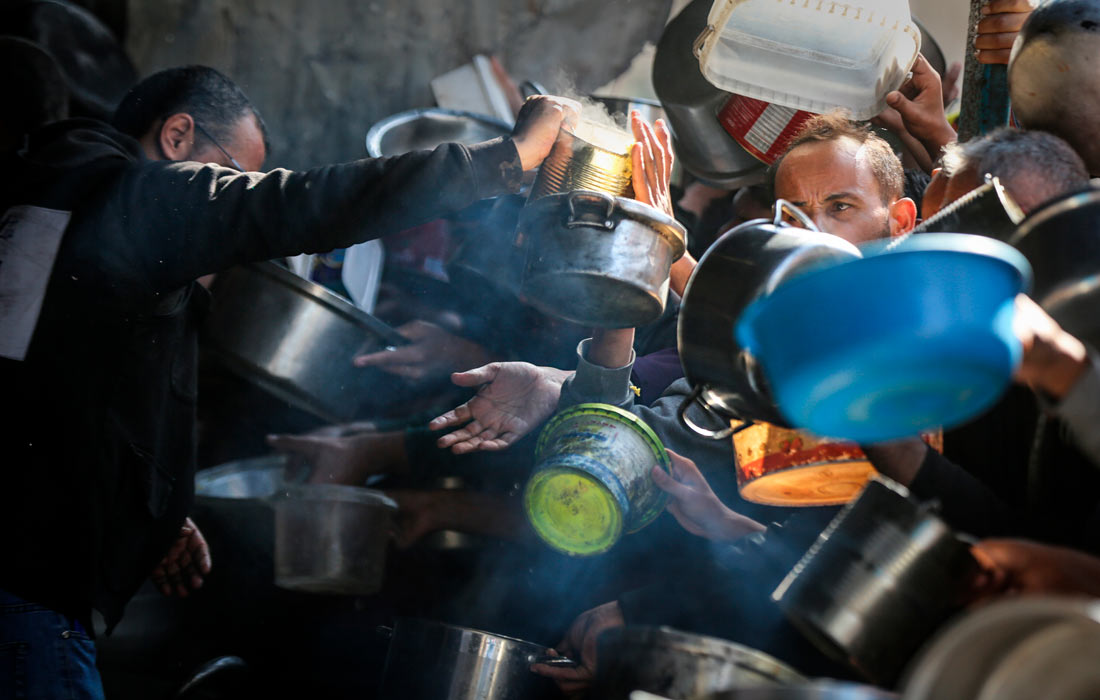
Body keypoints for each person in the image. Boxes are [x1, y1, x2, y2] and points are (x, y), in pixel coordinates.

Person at [0, 62, 576, 699]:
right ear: (177, 137)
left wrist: (144, 513)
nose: (231, 216)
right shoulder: (133, 197)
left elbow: (68, 392)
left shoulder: (51, 190)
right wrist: (508, 158)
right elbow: (301, 205)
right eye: (233, 178)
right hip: (30, 595)